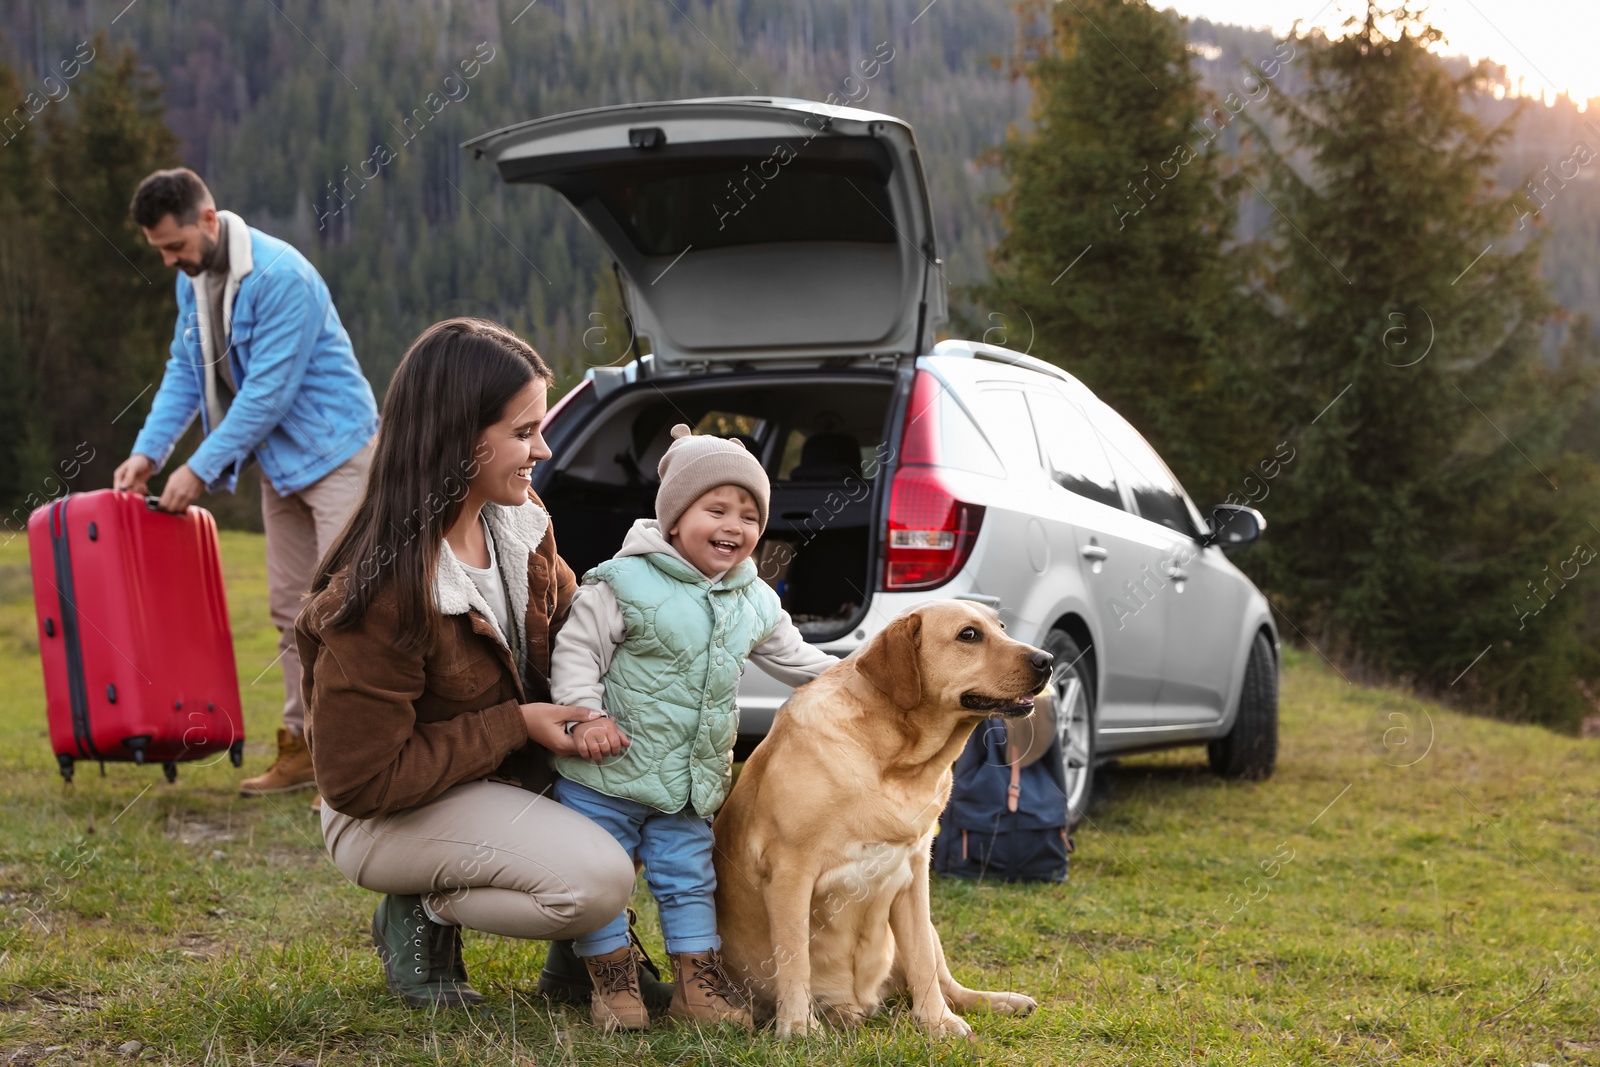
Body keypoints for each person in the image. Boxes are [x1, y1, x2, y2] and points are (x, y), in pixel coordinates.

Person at [295, 317, 666, 1011]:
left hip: (497, 779)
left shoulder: (521, 520)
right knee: (596, 880)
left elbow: (571, 628)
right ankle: (421, 912)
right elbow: (358, 780)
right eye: (524, 432)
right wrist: (517, 723)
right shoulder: (380, 591)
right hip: (387, 813)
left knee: (663, 771)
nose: (543, 449)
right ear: (459, 437)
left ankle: (586, 959)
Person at [550, 425, 838, 1031]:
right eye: (717, 509)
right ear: (675, 517)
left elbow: (799, 661)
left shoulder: (754, 598)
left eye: (750, 515)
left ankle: (696, 986)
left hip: (688, 786)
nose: (735, 525)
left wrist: (862, 678)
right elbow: (577, 653)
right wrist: (585, 717)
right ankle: (614, 985)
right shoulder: (621, 582)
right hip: (606, 773)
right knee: (605, 881)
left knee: (690, 881)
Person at [112, 167, 379, 808]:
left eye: (175, 246)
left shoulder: (282, 277)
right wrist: (149, 452)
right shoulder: (197, 283)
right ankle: (303, 748)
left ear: (207, 220)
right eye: (160, 252)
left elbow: (266, 394)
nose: (171, 262)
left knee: (343, 609)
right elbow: (185, 369)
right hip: (281, 467)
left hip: (339, 454)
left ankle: (354, 762)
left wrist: (198, 467)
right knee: (290, 610)